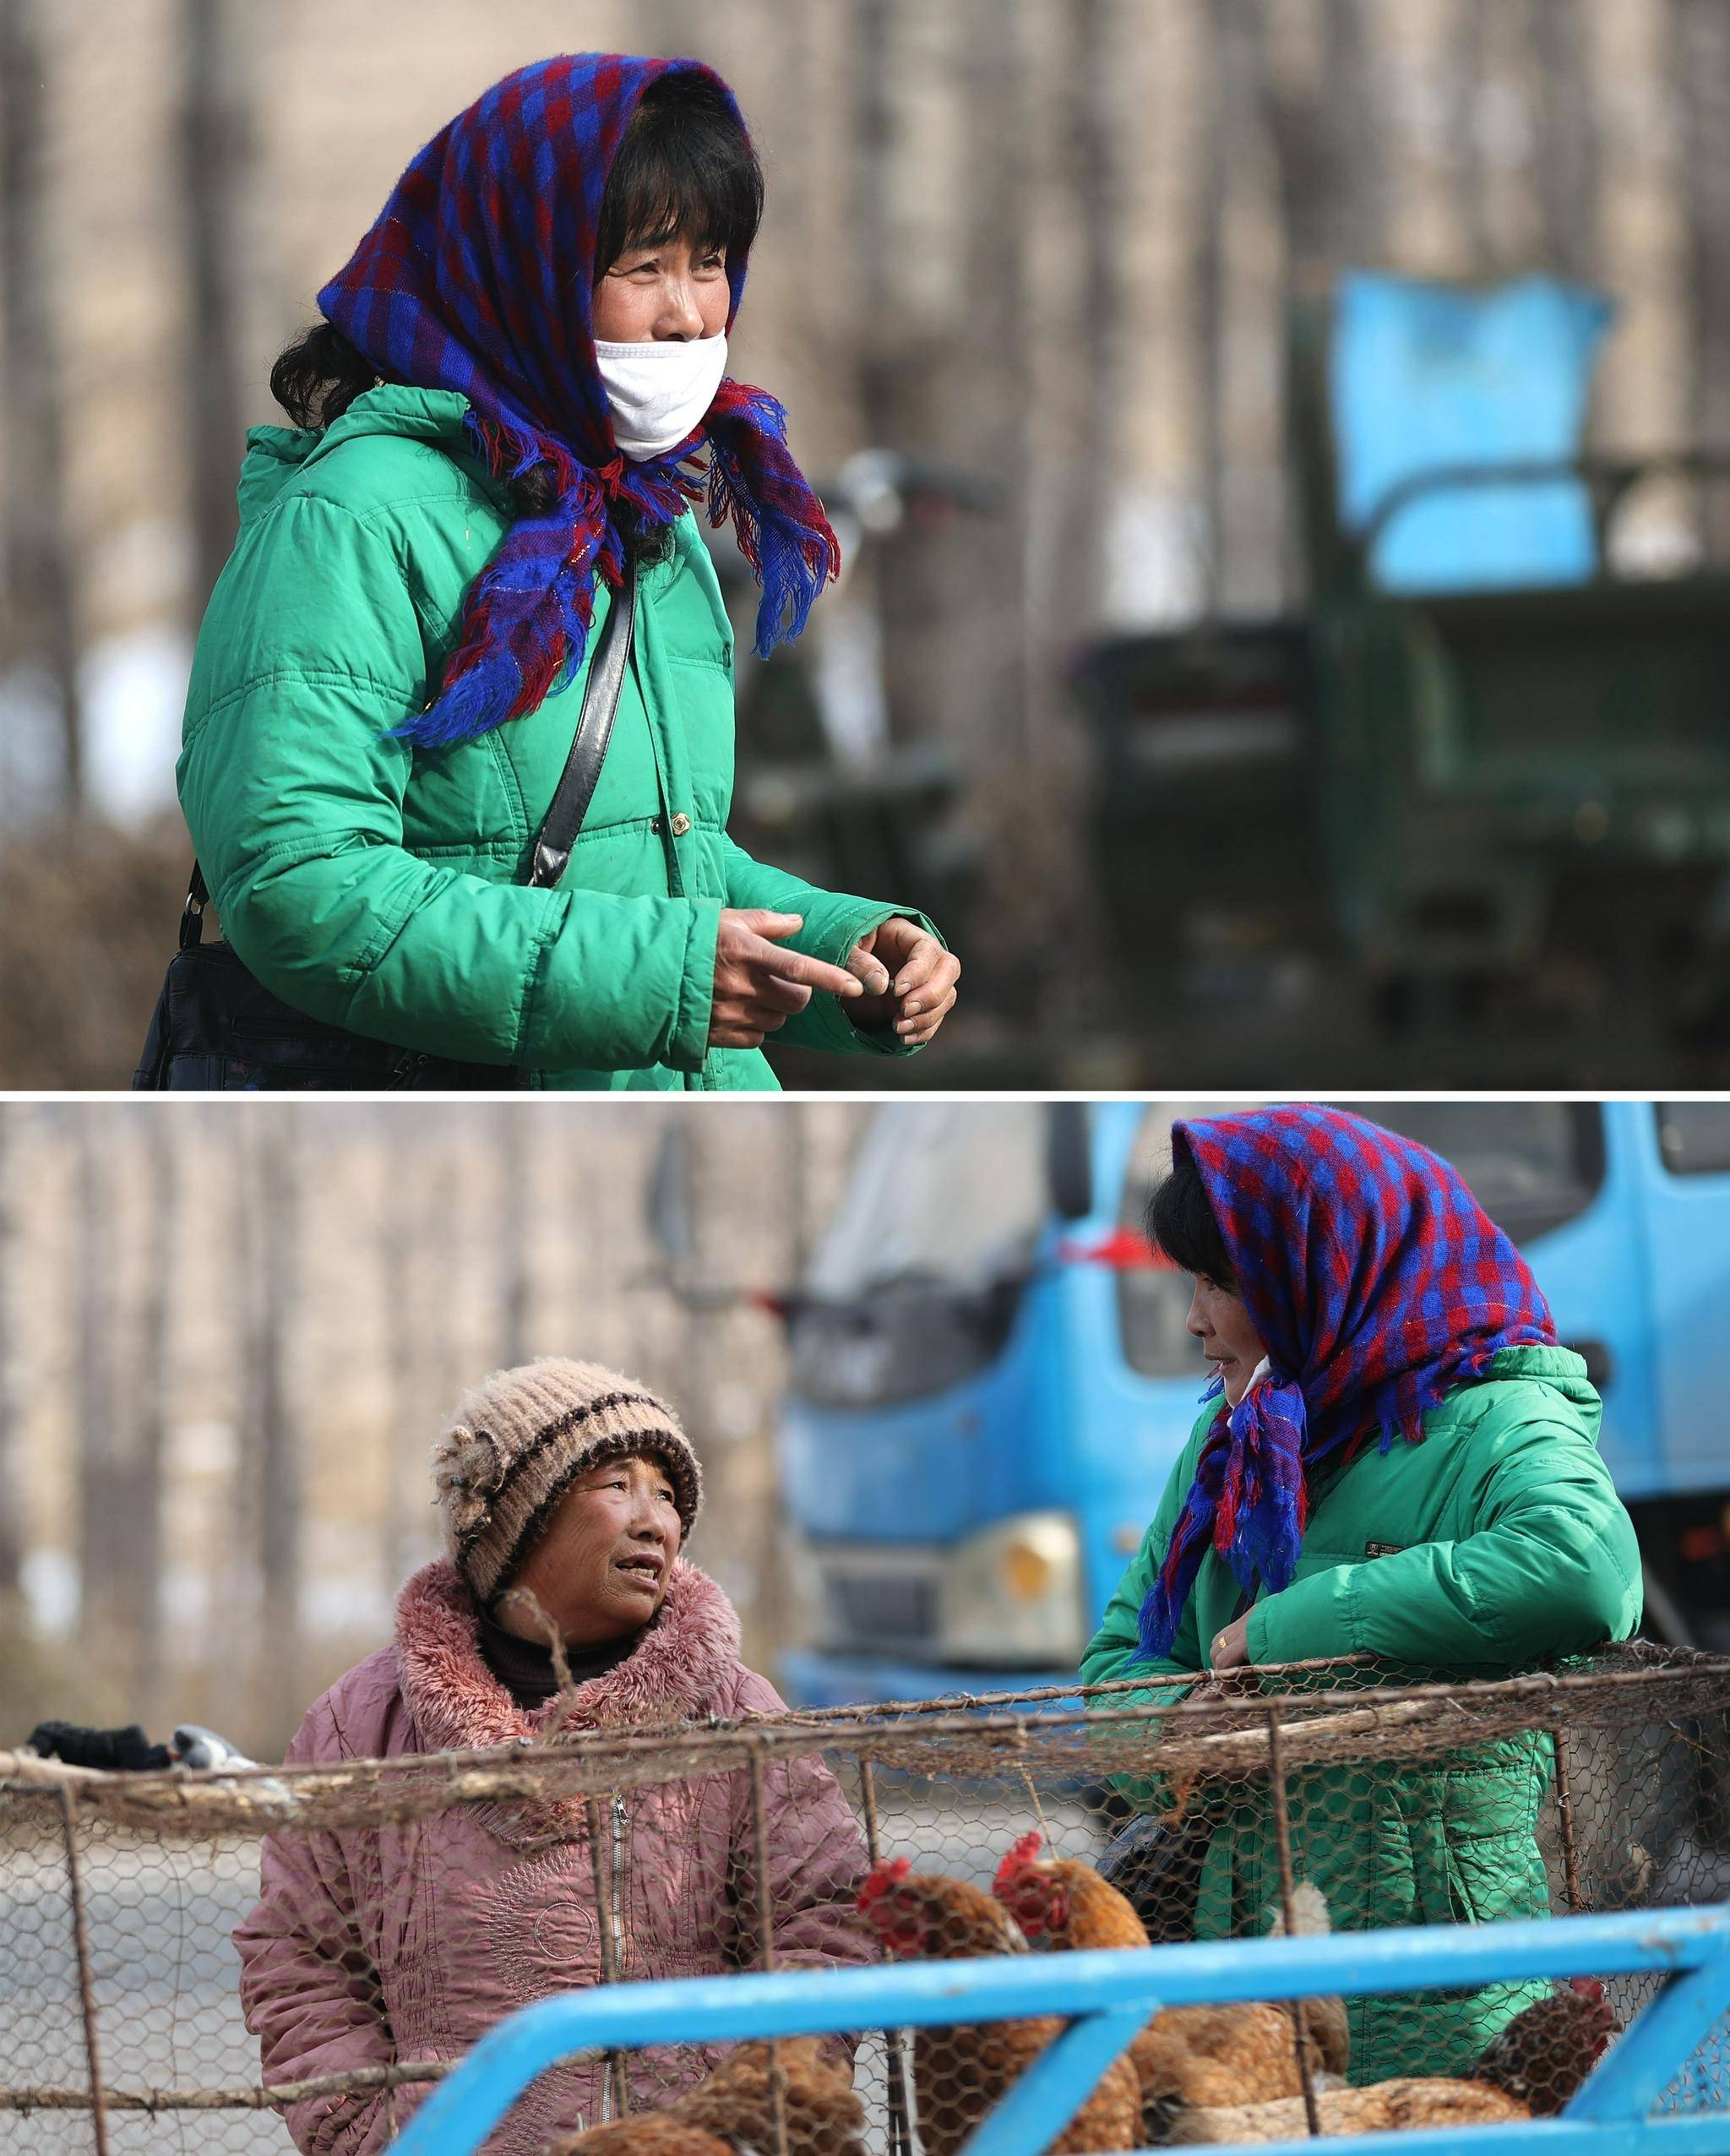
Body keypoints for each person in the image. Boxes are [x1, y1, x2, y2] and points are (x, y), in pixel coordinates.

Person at [177, 54, 959, 1089]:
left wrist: (851, 947)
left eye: (710, 260)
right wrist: (666, 979)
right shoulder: (355, 519)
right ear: (519, 266)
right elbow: (302, 886)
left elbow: (654, 862)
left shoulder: (638, 514)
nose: (688, 314)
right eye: (641, 267)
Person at [1082, 1105, 1641, 2084]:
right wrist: (1176, 1725)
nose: (1193, 1317)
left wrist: (1291, 1627)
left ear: (1318, 1267)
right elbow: (1116, 1663)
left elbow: (1586, 1569)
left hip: (1442, 2002)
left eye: (1218, 1280)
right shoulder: (1233, 1435)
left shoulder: (1494, 1415)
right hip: (1242, 2003)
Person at [234, 1360, 871, 2155]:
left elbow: (824, 1921)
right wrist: (379, 2136)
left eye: (670, 1497)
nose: (656, 1523)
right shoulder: (359, 1729)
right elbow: (301, 1959)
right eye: (618, 1486)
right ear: (515, 1523)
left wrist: (739, 2114)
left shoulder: (734, 1713)